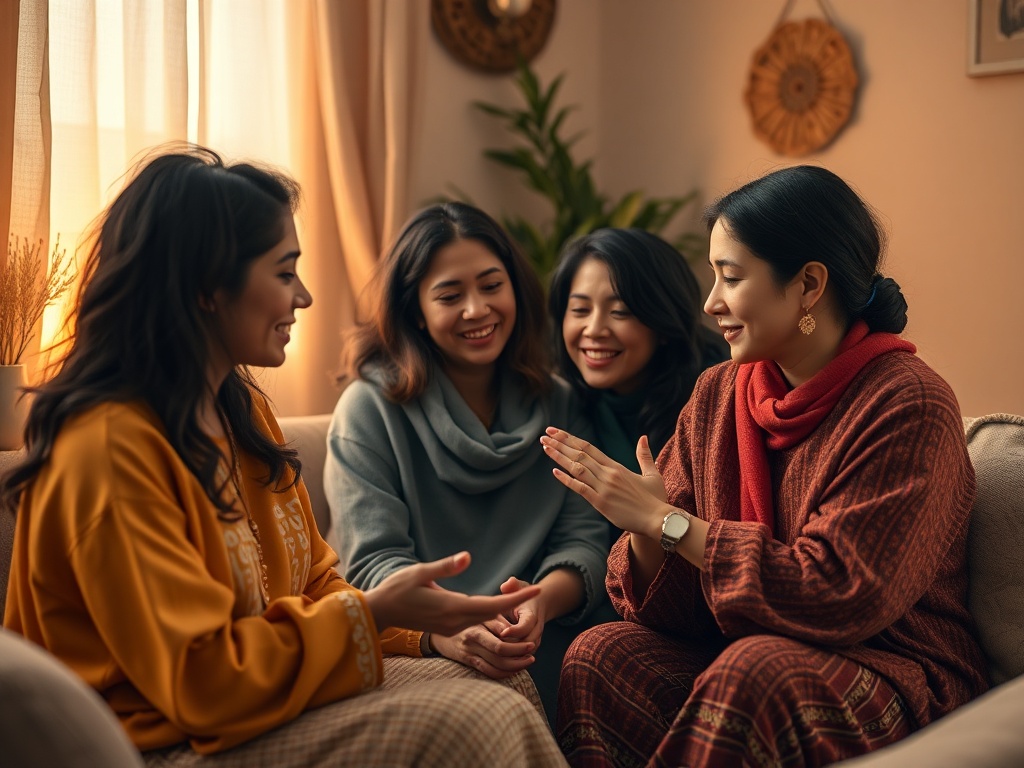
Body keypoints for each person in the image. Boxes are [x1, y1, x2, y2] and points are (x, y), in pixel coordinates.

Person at [0, 146, 568, 767]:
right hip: (153, 741)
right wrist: (376, 608)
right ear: (207, 287)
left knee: (499, 682)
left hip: (257, 699)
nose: (304, 297)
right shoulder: (108, 448)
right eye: (283, 271)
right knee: (470, 725)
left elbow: (315, 582)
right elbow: (203, 684)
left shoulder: (240, 411)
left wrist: (432, 633)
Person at [542, 165, 989, 767]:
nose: (711, 302)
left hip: (891, 669)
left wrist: (668, 523)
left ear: (808, 285)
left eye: (730, 277)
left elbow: (840, 594)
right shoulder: (718, 393)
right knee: (601, 653)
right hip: (745, 648)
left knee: (755, 671)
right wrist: (651, 530)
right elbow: (670, 610)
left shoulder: (909, 403)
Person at [325, 201, 609, 723]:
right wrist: (448, 628)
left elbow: (584, 539)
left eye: (491, 285)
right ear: (416, 311)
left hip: (544, 632)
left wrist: (540, 602)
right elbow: (373, 562)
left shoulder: (562, 403)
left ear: (515, 290)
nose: (477, 310)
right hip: (428, 640)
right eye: (450, 296)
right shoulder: (369, 410)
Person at [548, 228, 728, 473]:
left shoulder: (720, 399)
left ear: (663, 322)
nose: (594, 330)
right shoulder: (561, 404)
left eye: (620, 312)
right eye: (580, 310)